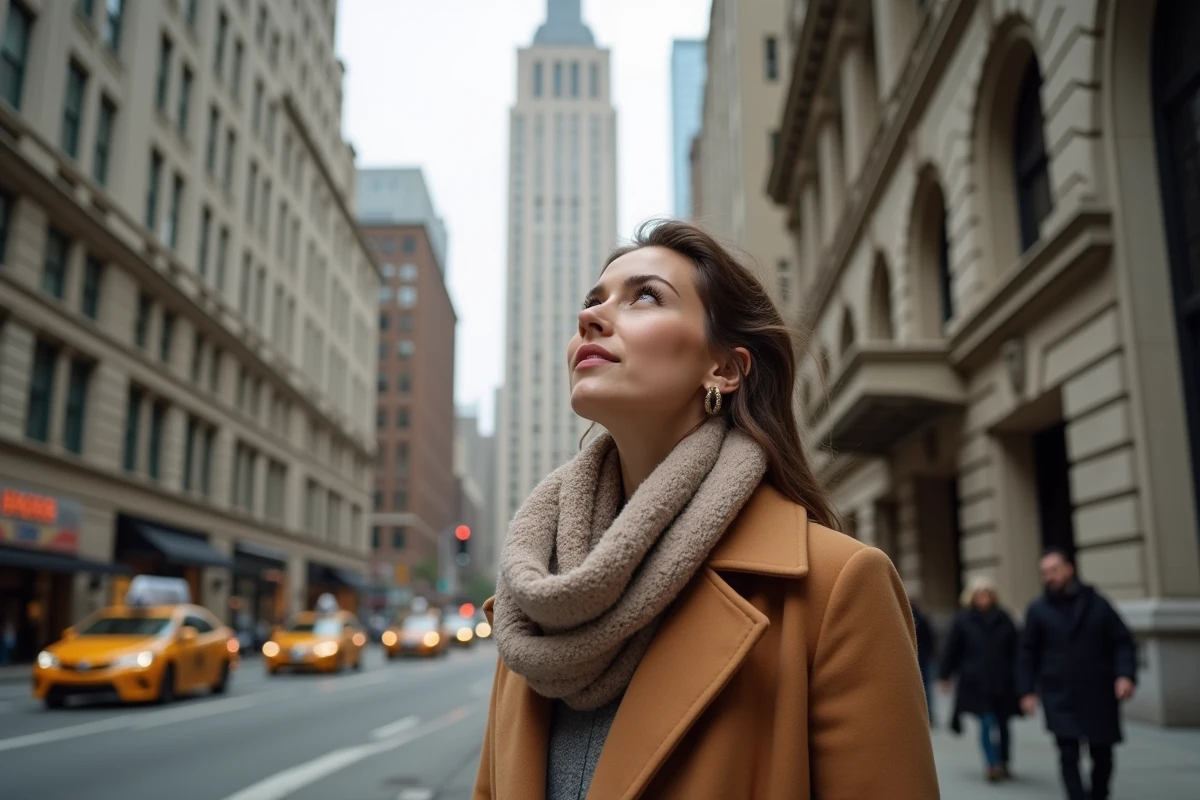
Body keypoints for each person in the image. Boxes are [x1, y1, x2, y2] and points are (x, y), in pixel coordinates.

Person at [475, 221, 939, 799]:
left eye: (644, 296)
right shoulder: (537, 595)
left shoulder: (836, 587)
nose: (589, 318)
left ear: (724, 368)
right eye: (593, 301)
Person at [1018, 548, 1137, 800]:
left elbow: (1122, 642)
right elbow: (1027, 653)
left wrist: (1125, 675)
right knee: (1068, 753)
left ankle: (1099, 795)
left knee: (1102, 754)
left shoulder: (1098, 604)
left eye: (1054, 570)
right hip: (1059, 693)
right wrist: (1027, 690)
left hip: (1098, 692)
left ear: (1069, 569)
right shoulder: (1038, 610)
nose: (1049, 577)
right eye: (1044, 572)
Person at [938, 576, 1020, 782]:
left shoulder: (1004, 618)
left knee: (1003, 724)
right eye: (979, 594)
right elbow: (952, 650)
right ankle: (991, 764)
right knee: (986, 722)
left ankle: (1004, 761)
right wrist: (944, 675)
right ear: (972, 597)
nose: (983, 598)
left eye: (987, 594)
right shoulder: (963, 620)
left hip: (1003, 681)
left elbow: (1018, 650)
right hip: (976, 682)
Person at [911, 596, 938, 724]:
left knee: (923, 687)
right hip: (922, 658)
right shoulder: (922, 618)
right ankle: (928, 714)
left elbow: (929, 639)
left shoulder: (920, 619)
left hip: (920, 659)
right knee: (926, 688)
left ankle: (926, 714)